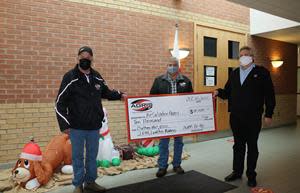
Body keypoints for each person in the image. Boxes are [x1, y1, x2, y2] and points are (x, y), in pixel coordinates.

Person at [55, 46, 126, 193]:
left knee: (92, 157)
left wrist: (120, 95)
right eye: (82, 56)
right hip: (77, 127)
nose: (85, 59)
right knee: (78, 157)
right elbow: (59, 103)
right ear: (78, 58)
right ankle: (78, 185)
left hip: (94, 126)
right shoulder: (70, 77)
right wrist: (65, 124)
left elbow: (106, 92)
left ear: (92, 59)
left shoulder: (97, 76)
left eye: (88, 56)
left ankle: (90, 182)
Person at [214, 46, 275, 187]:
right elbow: (228, 92)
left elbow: (269, 94)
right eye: (241, 55)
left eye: (247, 55)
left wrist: (269, 113)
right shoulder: (235, 73)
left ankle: (251, 175)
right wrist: (218, 92)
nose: (244, 57)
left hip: (253, 117)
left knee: (252, 146)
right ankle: (237, 171)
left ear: (252, 57)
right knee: (238, 146)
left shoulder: (261, 73)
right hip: (236, 117)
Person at [150, 57, 193, 177]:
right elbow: (152, 97)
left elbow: (191, 99)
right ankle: (162, 166)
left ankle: (177, 165)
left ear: (178, 66)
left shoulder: (186, 80)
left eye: (174, 65)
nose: (172, 67)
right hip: (165, 118)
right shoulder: (159, 80)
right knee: (163, 143)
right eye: (169, 64)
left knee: (179, 142)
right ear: (166, 66)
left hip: (180, 118)